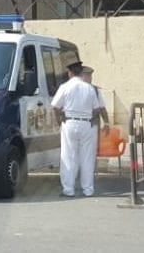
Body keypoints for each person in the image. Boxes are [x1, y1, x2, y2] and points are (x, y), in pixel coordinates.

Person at [51, 61, 102, 197]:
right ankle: (88, 190)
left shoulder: (65, 87)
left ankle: (68, 189)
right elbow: (97, 109)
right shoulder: (89, 88)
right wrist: (90, 118)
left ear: (70, 72)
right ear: (80, 73)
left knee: (68, 157)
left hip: (70, 122)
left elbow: (55, 106)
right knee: (87, 158)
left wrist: (59, 120)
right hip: (87, 124)